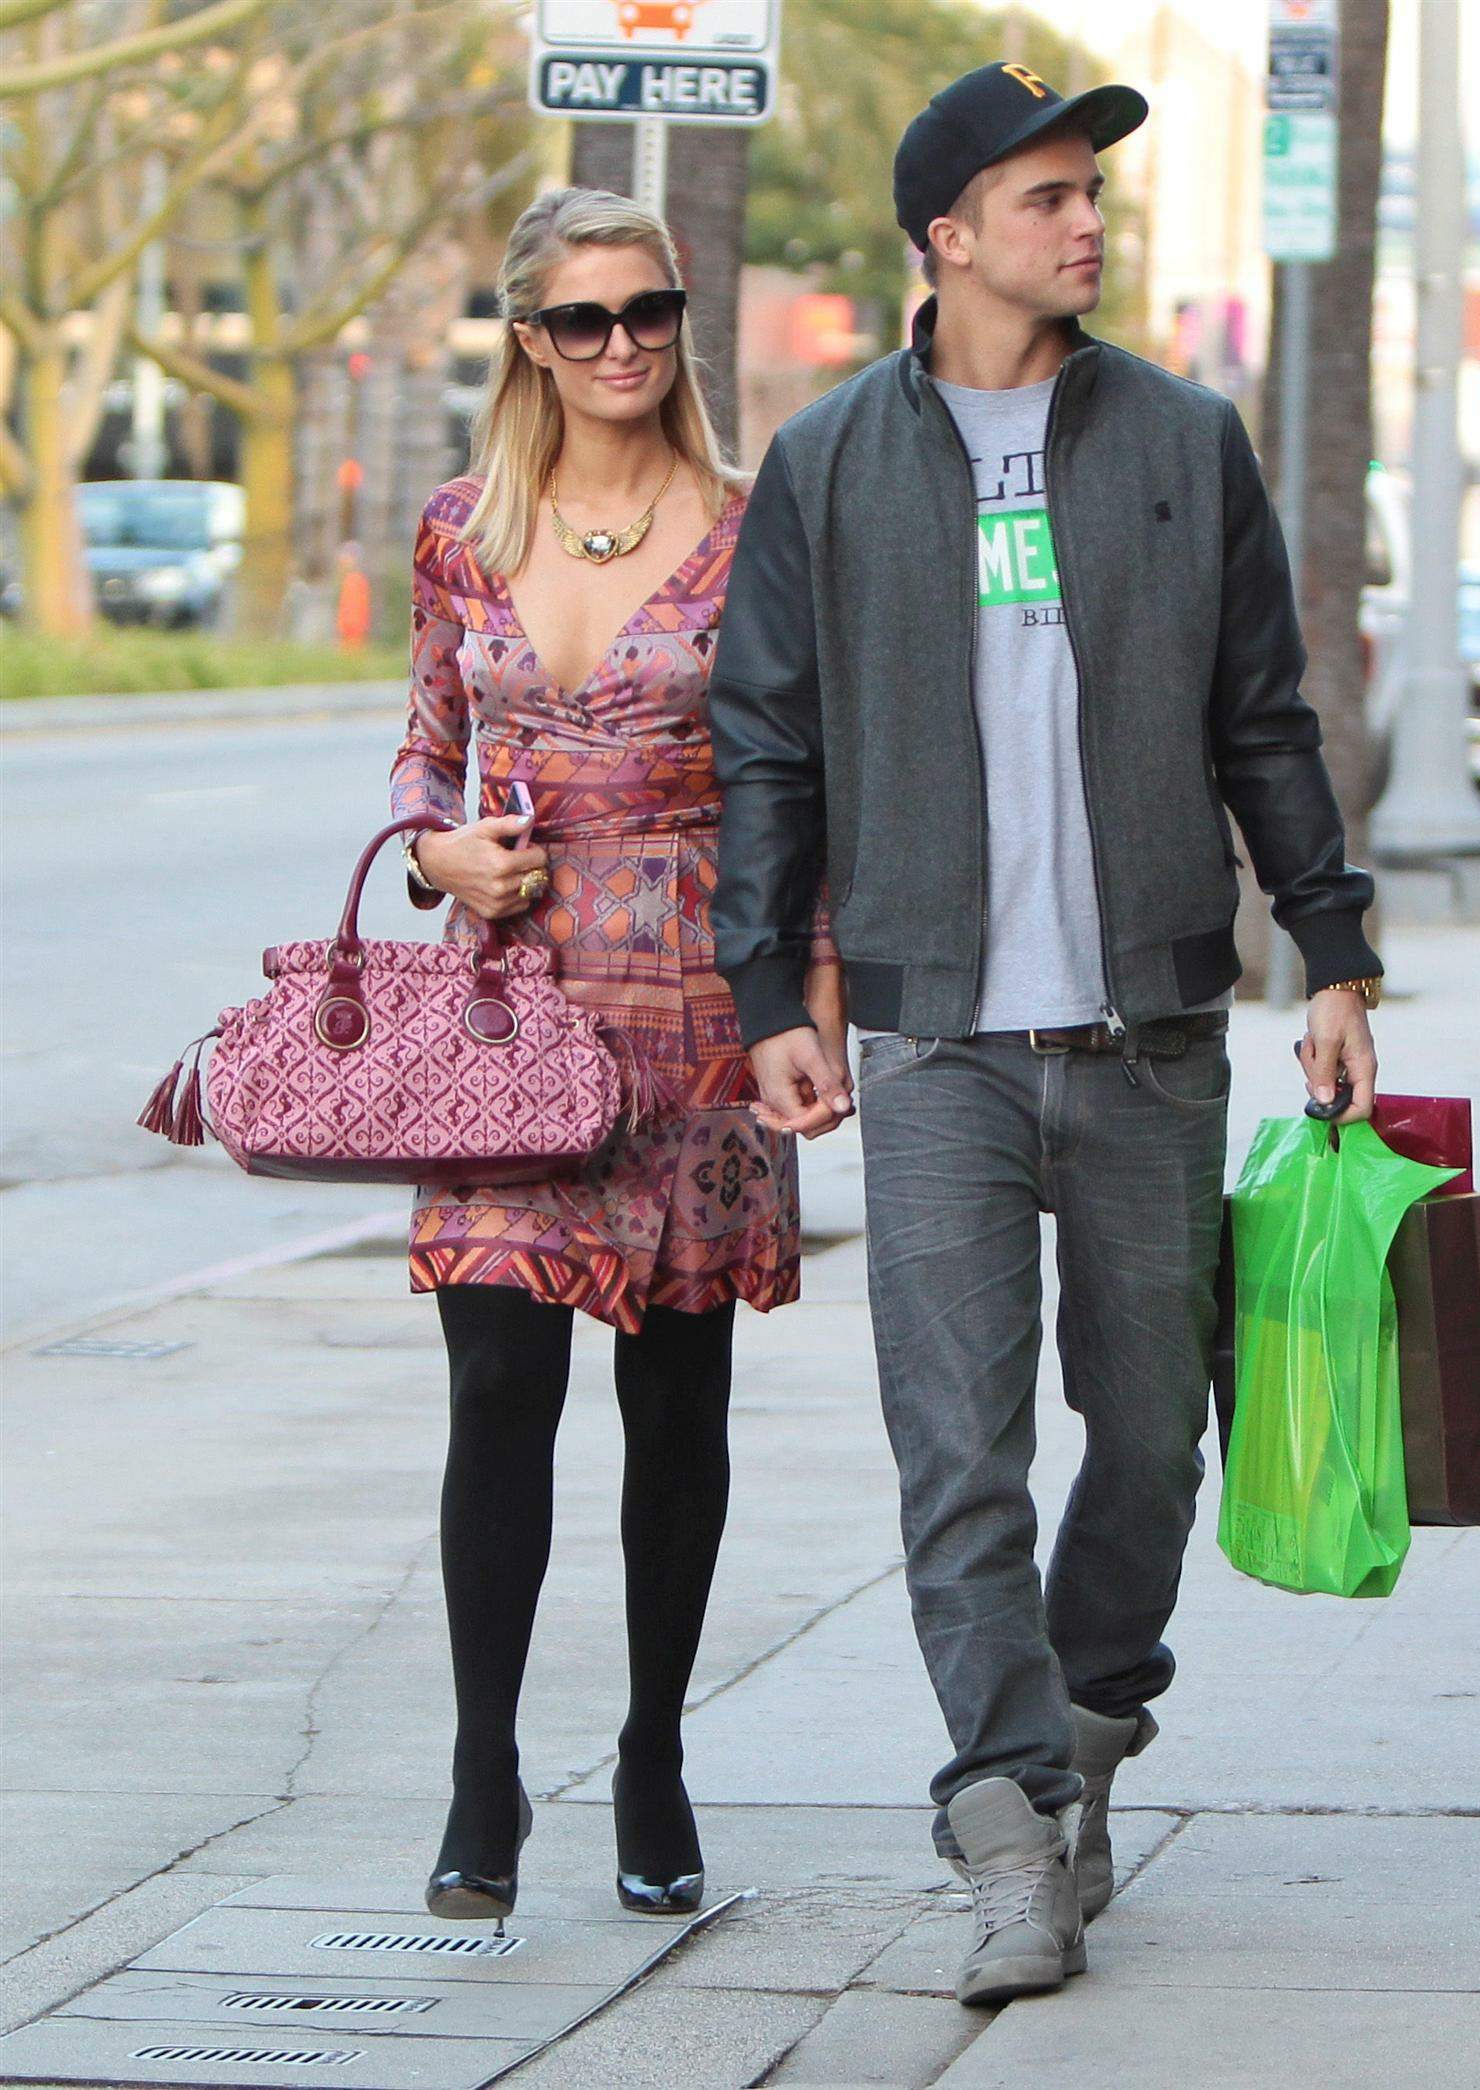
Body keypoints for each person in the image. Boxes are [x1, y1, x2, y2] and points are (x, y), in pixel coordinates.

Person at [709, 63, 1381, 2005]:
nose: (1085, 222)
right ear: (947, 234)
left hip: (1152, 1029)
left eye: (1091, 192)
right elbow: (766, 740)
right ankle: (1005, 1823)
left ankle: (1088, 1722)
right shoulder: (830, 465)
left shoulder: (1182, 439)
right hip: (932, 1047)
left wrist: (1330, 950)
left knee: (1156, 1435)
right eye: (1044, 197)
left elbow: (1266, 716)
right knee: (959, 1453)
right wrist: (772, 994)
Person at [390, 187, 841, 1926]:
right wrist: (442, 856)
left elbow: (800, 785)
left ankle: (654, 1750)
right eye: (583, 321)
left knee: (676, 1395)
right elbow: (427, 754)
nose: (623, 346)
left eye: (648, 312)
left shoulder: (749, 526)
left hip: (702, 990)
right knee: (497, 1382)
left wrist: (812, 1000)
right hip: (508, 993)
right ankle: (483, 1765)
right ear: (527, 340)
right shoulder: (459, 529)